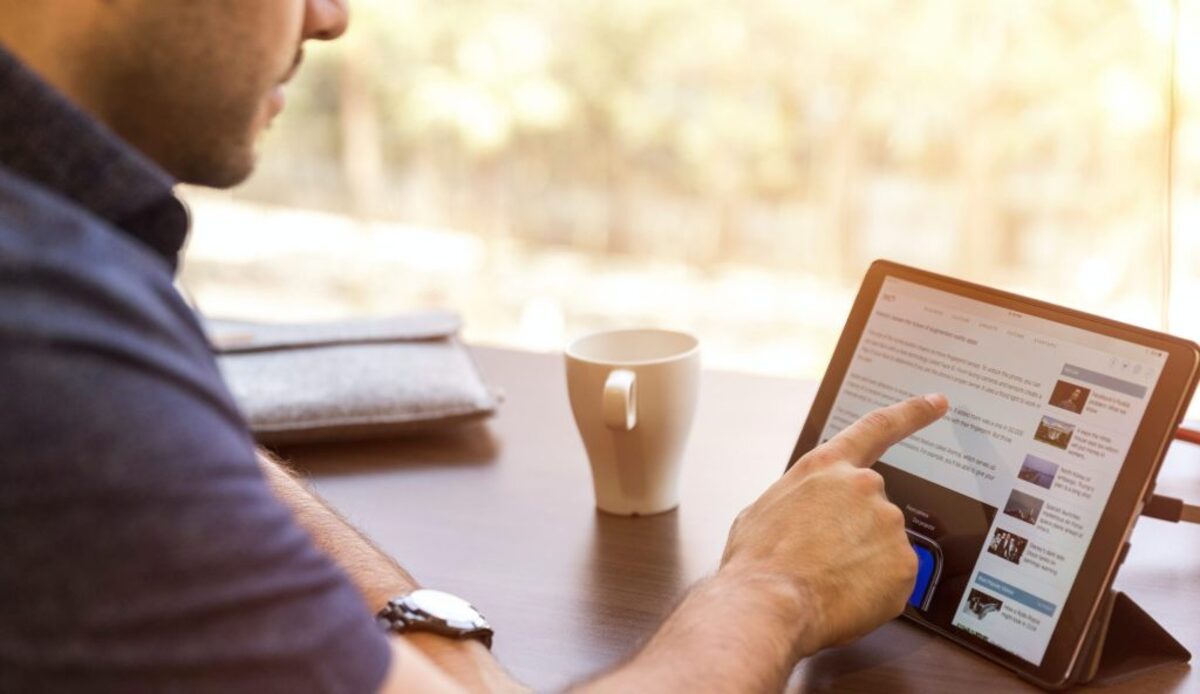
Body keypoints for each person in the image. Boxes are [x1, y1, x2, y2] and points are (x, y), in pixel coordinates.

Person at [0, 1, 949, 691]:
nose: (330, 18)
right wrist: (773, 589)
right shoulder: (42, 333)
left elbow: (168, 448)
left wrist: (436, 642)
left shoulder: (65, 279)